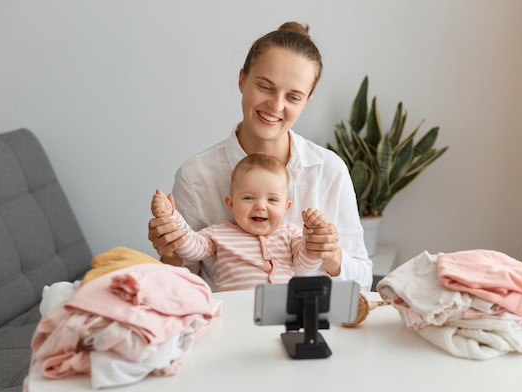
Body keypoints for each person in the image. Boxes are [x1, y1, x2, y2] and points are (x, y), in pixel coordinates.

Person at [148, 21, 373, 291]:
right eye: (265, 87)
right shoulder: (196, 176)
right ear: (242, 79)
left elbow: (363, 282)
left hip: (313, 326)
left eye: (293, 97)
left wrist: (332, 255)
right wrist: (169, 254)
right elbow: (183, 287)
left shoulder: (329, 170)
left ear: (307, 100)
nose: (276, 106)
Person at [151, 153, 329, 292]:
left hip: (282, 312)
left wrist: (313, 232)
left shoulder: (290, 234)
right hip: (235, 312)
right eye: (249, 197)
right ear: (231, 204)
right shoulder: (218, 234)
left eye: (272, 200)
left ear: (286, 207)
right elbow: (190, 248)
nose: (260, 206)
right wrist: (172, 218)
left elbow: (306, 266)